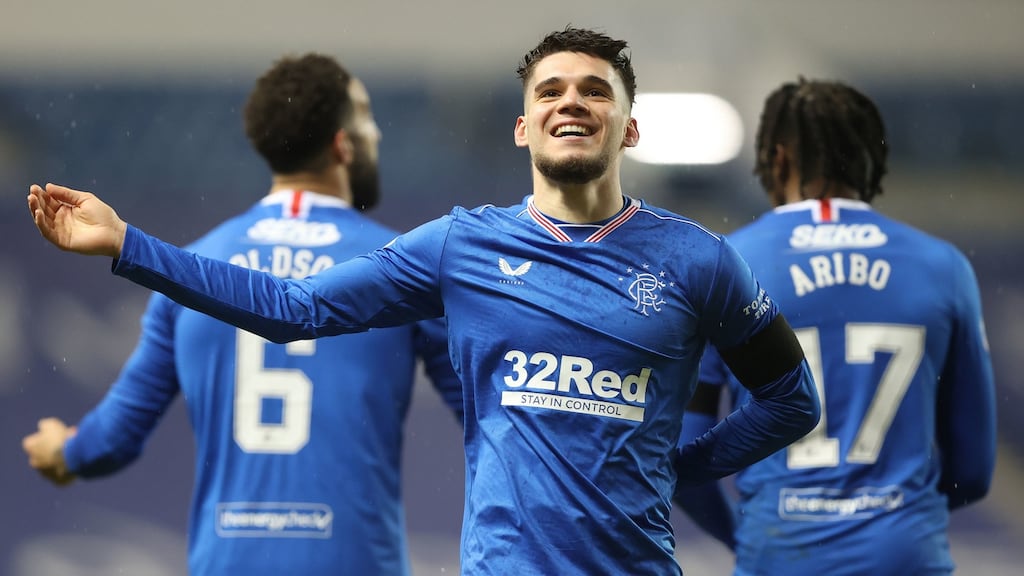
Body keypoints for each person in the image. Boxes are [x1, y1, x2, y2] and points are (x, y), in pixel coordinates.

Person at [27, 28, 821, 575]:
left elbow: (792, 400)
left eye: (593, 91)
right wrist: (129, 244)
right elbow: (295, 308)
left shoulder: (698, 259)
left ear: (631, 127)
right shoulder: (459, 247)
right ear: (523, 127)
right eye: (550, 91)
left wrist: (681, 467)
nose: (570, 102)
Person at [21, 53, 464, 576]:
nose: (376, 136)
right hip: (353, 561)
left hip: (229, 561)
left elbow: (114, 439)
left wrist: (62, 453)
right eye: (366, 120)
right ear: (343, 144)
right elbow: (483, 413)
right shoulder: (400, 272)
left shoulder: (190, 272)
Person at [673, 78, 997, 575]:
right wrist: (893, 521)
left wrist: (753, 538)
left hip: (779, 555)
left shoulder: (727, 263)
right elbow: (972, 472)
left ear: (777, 159)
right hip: (905, 557)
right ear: (873, 160)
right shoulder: (943, 267)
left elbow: (686, 460)